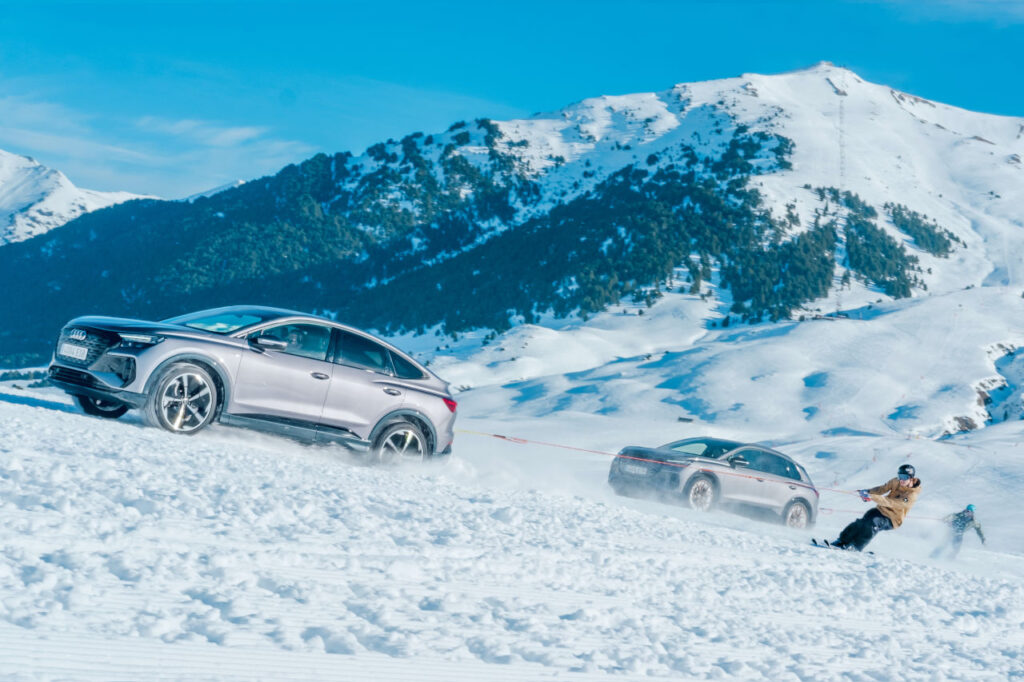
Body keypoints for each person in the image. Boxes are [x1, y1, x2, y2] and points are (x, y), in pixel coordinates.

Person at [829, 463, 922, 551]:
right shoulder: (896, 481)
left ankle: (856, 546)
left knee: (872, 523)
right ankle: (842, 541)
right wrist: (868, 492)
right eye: (900, 476)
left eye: (905, 477)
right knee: (861, 522)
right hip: (880, 510)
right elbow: (882, 489)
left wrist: (872, 497)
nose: (901, 480)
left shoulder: (911, 495)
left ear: (911, 478)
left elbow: (893, 503)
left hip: (893, 519)